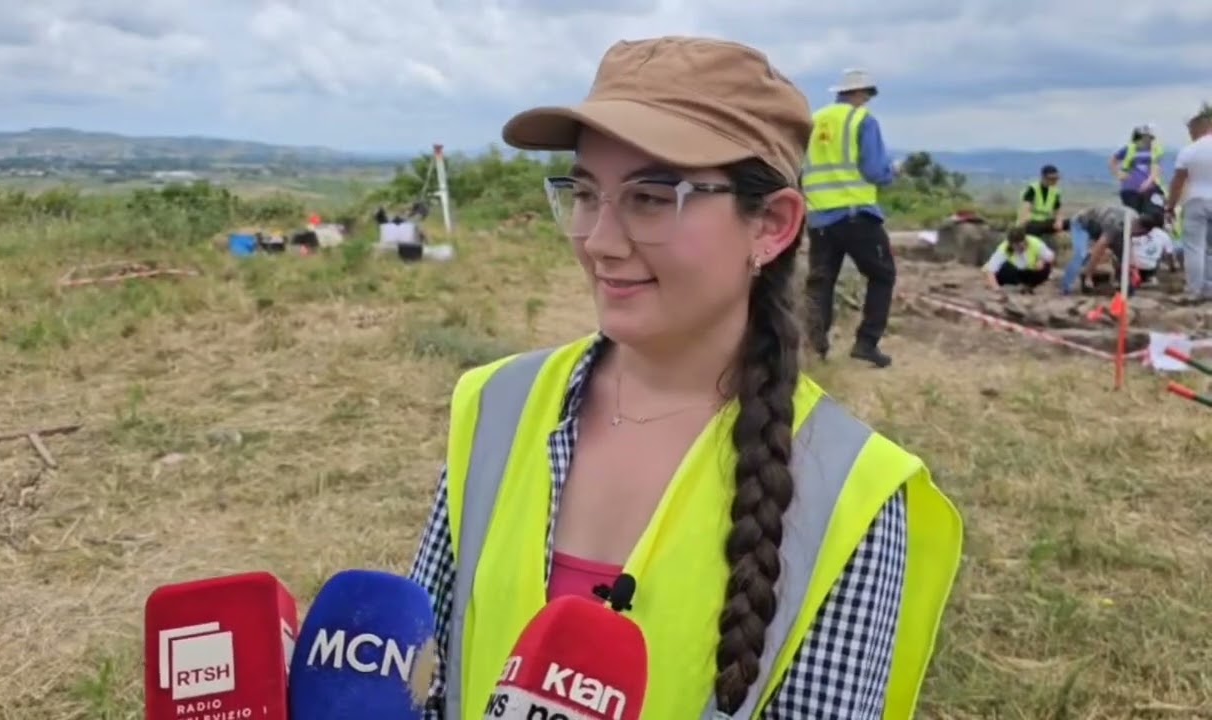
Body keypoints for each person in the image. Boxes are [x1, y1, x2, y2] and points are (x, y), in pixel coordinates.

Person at [408, 37, 963, 720]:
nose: (599, 241)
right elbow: (427, 680)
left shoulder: (849, 490)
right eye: (584, 193)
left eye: (650, 198)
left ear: (772, 225)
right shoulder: (496, 406)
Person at [801, 68, 899, 368]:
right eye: (867, 94)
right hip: (856, 214)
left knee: (821, 282)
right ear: (858, 93)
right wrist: (892, 172)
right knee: (882, 275)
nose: (867, 100)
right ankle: (866, 343)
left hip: (819, 217)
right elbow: (874, 170)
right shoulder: (862, 121)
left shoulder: (813, 121)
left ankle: (815, 346)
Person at [1165, 105, 1212, 302]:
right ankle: (1209, 288)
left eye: (1190, 130)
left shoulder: (1189, 151)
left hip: (1195, 201)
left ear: (1198, 127)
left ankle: (1194, 290)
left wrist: (1170, 206)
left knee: (1194, 248)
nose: (1190, 134)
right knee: (1210, 249)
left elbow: (1178, 181)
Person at [1111, 124, 1166, 212]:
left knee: (1153, 212)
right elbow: (1113, 160)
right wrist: (1118, 174)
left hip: (1149, 189)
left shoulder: (1155, 151)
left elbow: (1156, 169)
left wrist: (1147, 184)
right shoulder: (1129, 148)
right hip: (1130, 189)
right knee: (1133, 214)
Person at [984, 227, 1055, 292]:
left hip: (1031, 272)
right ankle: (1019, 286)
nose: (1017, 247)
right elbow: (991, 270)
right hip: (1015, 273)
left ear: (1025, 240)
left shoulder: (1035, 243)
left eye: (1019, 244)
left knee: (1046, 267)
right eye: (1014, 245)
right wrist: (996, 288)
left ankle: (1029, 285)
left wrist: (1041, 260)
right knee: (1003, 269)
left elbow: (1051, 257)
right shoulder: (1004, 247)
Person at [1018, 164, 1064, 241]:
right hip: (1032, 223)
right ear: (1043, 177)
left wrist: (1059, 221)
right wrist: (1022, 226)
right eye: (1051, 178)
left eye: (1056, 178)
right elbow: (1026, 209)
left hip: (1045, 222)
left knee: (1070, 223)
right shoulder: (1032, 189)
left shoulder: (1056, 192)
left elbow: (1058, 210)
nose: (1054, 181)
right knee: (1035, 229)